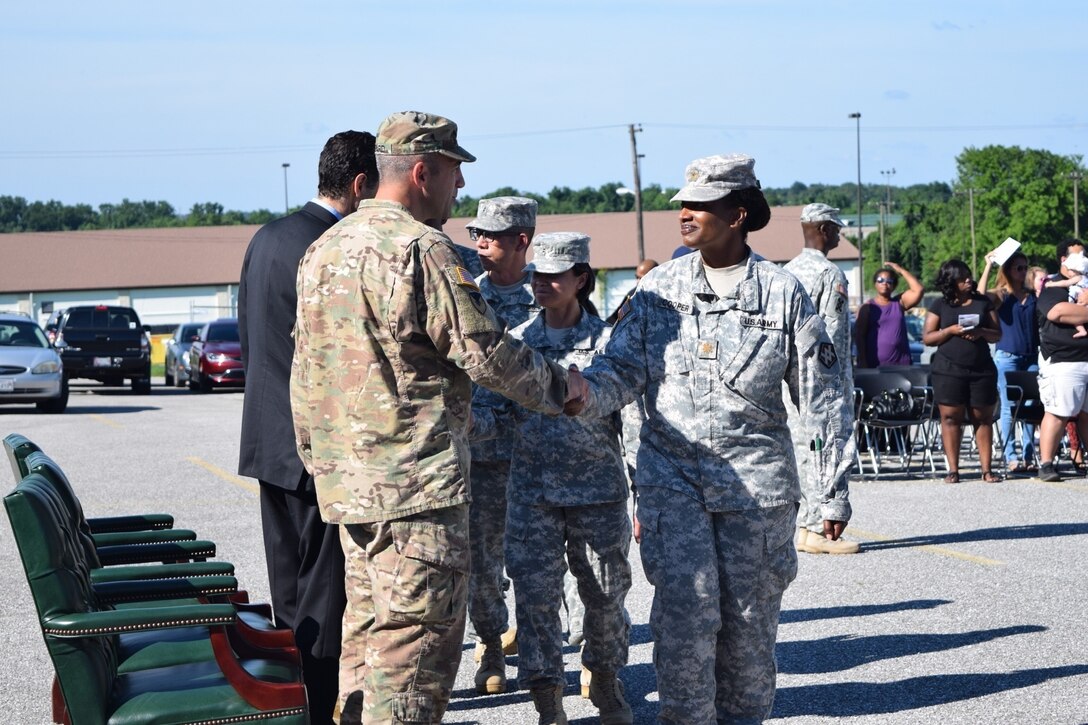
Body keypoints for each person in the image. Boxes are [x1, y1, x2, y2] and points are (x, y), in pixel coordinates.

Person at [290, 111, 583, 724]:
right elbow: (485, 352)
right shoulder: (422, 250)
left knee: (365, 651)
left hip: (350, 492)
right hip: (414, 495)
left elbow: (305, 374)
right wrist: (563, 387)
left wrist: (322, 463)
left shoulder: (325, 248)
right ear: (422, 172)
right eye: (454, 173)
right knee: (414, 664)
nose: (461, 190)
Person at [573, 154, 855, 723]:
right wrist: (574, 390)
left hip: (757, 491)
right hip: (672, 485)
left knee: (750, 629)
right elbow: (619, 372)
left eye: (700, 204)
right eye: (683, 201)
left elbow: (821, 400)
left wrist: (831, 492)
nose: (684, 212)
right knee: (683, 618)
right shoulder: (658, 291)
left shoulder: (783, 294)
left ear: (739, 213)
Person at [237, 130, 377, 723]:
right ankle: (317, 710)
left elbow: (250, 338)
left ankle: (291, 704)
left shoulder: (266, 238)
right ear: (360, 185)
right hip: (316, 447)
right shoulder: (333, 247)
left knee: (290, 594)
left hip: (268, 440)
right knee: (324, 595)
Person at [473, 232, 634, 725]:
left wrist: (645, 490)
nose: (540, 283)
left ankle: (604, 678)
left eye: (553, 275)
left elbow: (633, 419)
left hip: (598, 496)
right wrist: (451, 416)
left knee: (605, 598)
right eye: (536, 273)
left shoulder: (610, 343)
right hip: (533, 496)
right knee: (537, 601)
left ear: (580, 279)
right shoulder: (518, 343)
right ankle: (549, 701)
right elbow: (492, 417)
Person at [462, 195, 540, 695]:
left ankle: (539, 651)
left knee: (535, 563)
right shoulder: (466, 294)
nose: (481, 244)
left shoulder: (550, 295)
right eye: (478, 235)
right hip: (482, 455)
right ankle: (491, 644)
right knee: (482, 563)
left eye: (491, 236)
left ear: (522, 241)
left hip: (536, 456)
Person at [784, 203, 858, 554]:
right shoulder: (830, 274)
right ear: (824, 229)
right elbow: (835, 336)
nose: (840, 235)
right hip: (822, 378)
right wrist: (839, 385)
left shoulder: (785, 272)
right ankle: (820, 528)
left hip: (791, 378)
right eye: (837, 229)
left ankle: (804, 523)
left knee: (802, 448)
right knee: (829, 447)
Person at [921, 259, 1002, 483]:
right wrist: (950, 330)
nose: (969, 279)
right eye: (962, 277)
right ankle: (953, 470)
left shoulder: (983, 302)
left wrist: (980, 331)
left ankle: (987, 470)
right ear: (951, 282)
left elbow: (997, 334)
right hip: (948, 370)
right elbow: (928, 338)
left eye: (969, 275)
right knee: (950, 418)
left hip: (981, 370)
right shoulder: (940, 305)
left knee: (983, 418)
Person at [981, 250, 1040, 472]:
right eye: (1018, 268)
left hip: (1031, 356)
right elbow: (979, 296)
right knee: (1008, 408)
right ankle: (1010, 455)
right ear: (1008, 270)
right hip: (1007, 357)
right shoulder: (1001, 295)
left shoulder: (1032, 294)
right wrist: (988, 265)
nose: (1023, 272)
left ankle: (1027, 454)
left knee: (1031, 406)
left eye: (1025, 267)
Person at [1035, 238, 1088, 483]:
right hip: (1063, 361)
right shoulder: (1053, 287)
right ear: (1063, 260)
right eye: (1077, 255)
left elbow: (1069, 313)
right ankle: (1046, 464)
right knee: (1058, 412)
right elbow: (1057, 312)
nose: (1083, 259)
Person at [855, 262, 925, 367]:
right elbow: (860, 336)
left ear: (894, 285)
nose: (884, 283)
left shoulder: (899, 303)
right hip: (875, 365)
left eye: (889, 281)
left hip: (902, 364)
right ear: (875, 284)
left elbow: (919, 290)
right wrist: (863, 361)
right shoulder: (867, 308)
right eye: (880, 280)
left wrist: (900, 270)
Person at [1040, 251, 1088, 337]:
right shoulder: (1085, 278)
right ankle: (1082, 330)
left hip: (1079, 302)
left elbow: (1065, 283)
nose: (1069, 272)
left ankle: (1082, 330)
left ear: (1076, 270)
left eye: (1070, 270)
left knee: (1075, 317)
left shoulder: (1078, 277)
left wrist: (1051, 284)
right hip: (1082, 302)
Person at [605, 258, 658, 324]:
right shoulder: (633, 294)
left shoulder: (666, 295)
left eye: (641, 278)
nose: (638, 281)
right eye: (637, 277)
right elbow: (615, 318)